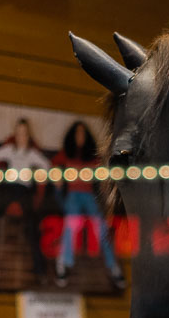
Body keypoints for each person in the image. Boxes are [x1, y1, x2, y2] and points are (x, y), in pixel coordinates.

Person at [51, 120, 123, 289]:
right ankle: (63, 265)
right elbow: (53, 164)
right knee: (71, 225)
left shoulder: (93, 156)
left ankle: (114, 267)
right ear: (72, 136)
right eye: (77, 133)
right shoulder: (66, 153)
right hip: (73, 195)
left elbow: (104, 173)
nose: (80, 136)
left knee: (101, 228)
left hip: (89, 195)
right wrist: (57, 177)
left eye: (83, 133)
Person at [0, 117, 51, 283]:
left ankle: (40, 271)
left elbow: (46, 166)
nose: (21, 137)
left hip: (24, 191)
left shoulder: (32, 153)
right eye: (18, 133)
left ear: (28, 135)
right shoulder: (10, 150)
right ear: (15, 135)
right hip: (8, 189)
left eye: (24, 134)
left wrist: (39, 177)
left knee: (33, 223)